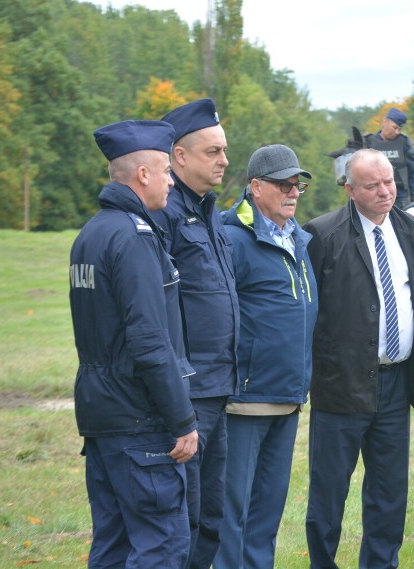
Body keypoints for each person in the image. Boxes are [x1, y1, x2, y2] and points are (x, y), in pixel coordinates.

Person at [70, 119, 198, 568]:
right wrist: (181, 418)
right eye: (165, 170)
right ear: (143, 174)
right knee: (160, 545)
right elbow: (149, 341)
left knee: (113, 543)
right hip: (140, 419)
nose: (170, 180)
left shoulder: (92, 233)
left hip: (101, 413)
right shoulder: (134, 237)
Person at [303, 148, 414, 569]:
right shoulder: (322, 235)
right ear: (350, 188)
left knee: (390, 491)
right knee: (329, 490)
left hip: (395, 382)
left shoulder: (409, 229)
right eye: (372, 185)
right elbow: (308, 312)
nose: (384, 191)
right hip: (342, 383)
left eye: (389, 181)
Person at [214, 144, 318, 568]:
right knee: (230, 516)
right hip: (243, 401)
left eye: (298, 185)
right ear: (255, 187)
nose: (292, 192)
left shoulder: (299, 239)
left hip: (287, 398)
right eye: (282, 184)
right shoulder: (229, 237)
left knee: (266, 516)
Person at [151, 98, 239, 569]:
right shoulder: (163, 213)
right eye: (212, 151)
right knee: (179, 520)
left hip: (217, 386)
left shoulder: (210, 211)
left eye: (224, 151)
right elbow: (155, 313)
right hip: (186, 394)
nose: (224, 160)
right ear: (179, 156)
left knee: (210, 516)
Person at [364, 108, 414, 208]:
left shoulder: (404, 143)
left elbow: (412, 172)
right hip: (376, 194)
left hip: (400, 196)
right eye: (395, 127)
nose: (397, 132)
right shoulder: (368, 143)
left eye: (399, 129)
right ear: (385, 122)